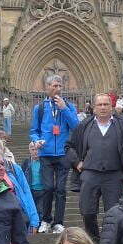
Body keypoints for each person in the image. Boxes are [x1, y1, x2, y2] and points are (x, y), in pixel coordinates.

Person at [66, 93, 123, 242]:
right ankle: (94, 242)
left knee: (114, 213)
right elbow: (69, 146)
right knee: (87, 211)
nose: (103, 107)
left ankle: (110, 243)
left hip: (114, 175)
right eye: (100, 104)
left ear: (111, 107)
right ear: (94, 108)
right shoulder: (84, 126)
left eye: (106, 104)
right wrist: (77, 162)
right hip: (90, 174)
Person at [30, 74, 80, 234]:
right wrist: (37, 140)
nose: (58, 89)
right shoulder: (40, 108)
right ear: (47, 87)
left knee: (60, 189)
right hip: (45, 154)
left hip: (63, 154)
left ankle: (58, 222)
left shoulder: (69, 106)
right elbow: (34, 131)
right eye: (55, 86)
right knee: (48, 188)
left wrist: (64, 109)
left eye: (60, 86)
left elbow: (76, 127)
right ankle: (45, 220)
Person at [0, 135, 40, 231]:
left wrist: (34, 220)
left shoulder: (14, 169)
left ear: (2, 151)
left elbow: (26, 193)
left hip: (15, 216)